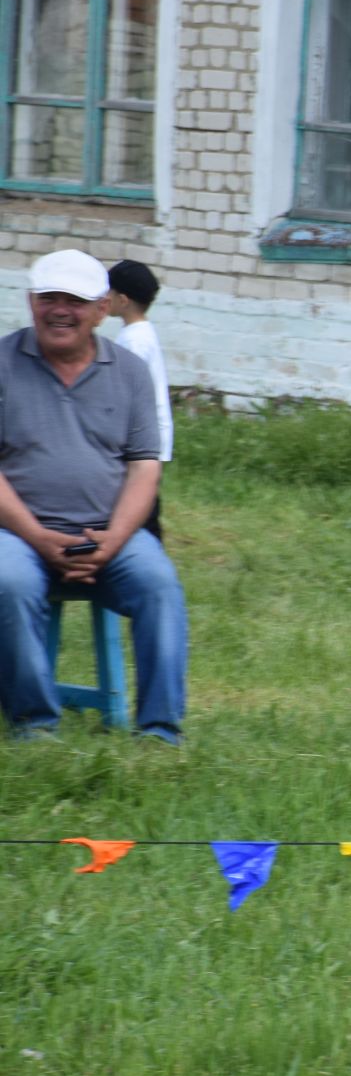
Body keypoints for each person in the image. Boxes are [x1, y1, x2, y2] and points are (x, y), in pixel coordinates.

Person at [0, 249, 189, 744]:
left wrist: (113, 539)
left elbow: (145, 466)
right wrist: (38, 537)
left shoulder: (128, 370)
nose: (60, 310)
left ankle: (160, 730)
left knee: (159, 586)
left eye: (75, 301)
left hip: (111, 534)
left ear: (102, 309)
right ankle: (34, 723)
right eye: (49, 298)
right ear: (31, 301)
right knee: (8, 583)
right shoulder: (1, 362)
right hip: (18, 534)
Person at [106, 260, 171, 540]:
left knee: (140, 499)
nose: (102, 299)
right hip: (146, 435)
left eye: (107, 293)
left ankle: (149, 548)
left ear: (122, 300)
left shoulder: (134, 342)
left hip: (141, 437)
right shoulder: (140, 333)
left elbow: (122, 392)